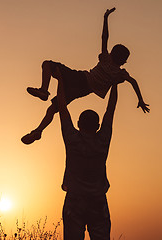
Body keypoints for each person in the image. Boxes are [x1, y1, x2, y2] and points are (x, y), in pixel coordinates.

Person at [21, 8, 149, 145]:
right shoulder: (120, 74)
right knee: (54, 108)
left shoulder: (106, 59)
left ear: (112, 54)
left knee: (47, 64)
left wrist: (105, 18)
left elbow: (104, 37)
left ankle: (44, 91)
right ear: (123, 61)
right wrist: (140, 100)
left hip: (80, 78)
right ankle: (38, 130)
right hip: (82, 91)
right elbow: (134, 82)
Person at [57, 72, 119, 240]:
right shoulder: (103, 140)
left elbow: (62, 108)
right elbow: (110, 109)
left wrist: (61, 80)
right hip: (98, 201)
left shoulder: (72, 139)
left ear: (78, 124)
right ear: (98, 125)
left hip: (74, 201)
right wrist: (114, 83)